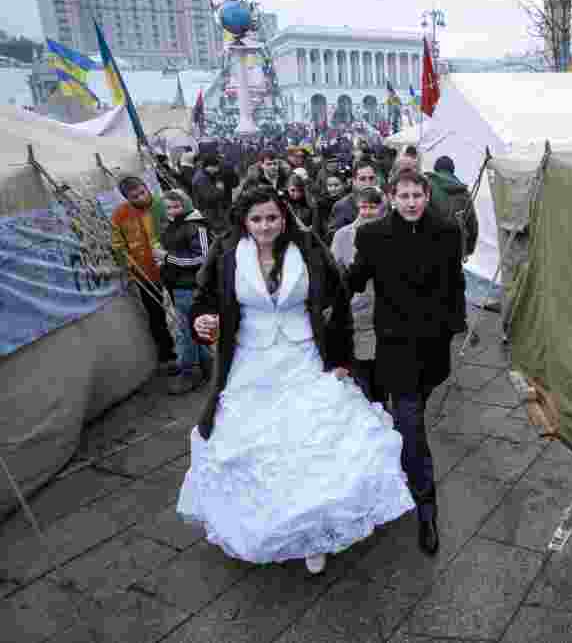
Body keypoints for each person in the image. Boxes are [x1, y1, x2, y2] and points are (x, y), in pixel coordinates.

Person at [178, 186, 415, 574]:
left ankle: (313, 534)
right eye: (256, 219)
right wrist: (202, 320)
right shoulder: (224, 254)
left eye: (272, 217)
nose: (265, 225)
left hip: (304, 354)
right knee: (258, 446)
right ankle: (263, 524)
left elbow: (338, 302)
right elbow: (205, 299)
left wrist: (340, 358)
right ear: (244, 221)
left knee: (312, 445)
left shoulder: (307, 248)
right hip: (249, 359)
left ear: (283, 217)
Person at [345, 169, 467, 556]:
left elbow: (454, 283)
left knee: (411, 416)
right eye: (404, 195)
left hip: (432, 346)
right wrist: (320, 295)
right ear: (392, 197)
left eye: (417, 194)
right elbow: (355, 276)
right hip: (396, 347)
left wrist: (454, 326)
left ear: (426, 196)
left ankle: (399, 463)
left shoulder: (448, 232)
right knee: (411, 426)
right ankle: (425, 507)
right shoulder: (373, 236)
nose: (411, 202)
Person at [110, 175, 177, 376]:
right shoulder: (120, 215)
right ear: (126, 198)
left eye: (142, 192)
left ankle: (198, 351)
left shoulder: (163, 205)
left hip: (172, 267)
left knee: (183, 307)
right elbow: (117, 244)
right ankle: (168, 356)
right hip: (144, 272)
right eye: (134, 196)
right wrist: (126, 264)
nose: (140, 198)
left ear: (147, 188)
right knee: (156, 315)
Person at [331, 187, 387, 404]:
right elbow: (335, 276)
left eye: (372, 206)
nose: (367, 212)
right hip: (358, 317)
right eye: (363, 206)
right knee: (361, 383)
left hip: (386, 318)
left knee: (381, 382)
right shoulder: (343, 236)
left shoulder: (391, 234)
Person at [158, 189, 211, 394]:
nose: (172, 211)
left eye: (177, 206)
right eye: (169, 207)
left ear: (186, 205)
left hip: (191, 287)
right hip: (178, 285)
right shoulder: (175, 225)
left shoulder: (195, 226)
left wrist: (167, 258)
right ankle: (206, 367)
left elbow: (202, 258)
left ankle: (190, 372)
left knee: (188, 331)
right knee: (194, 329)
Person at [426, 156, 479, 261]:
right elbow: (472, 224)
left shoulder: (427, 185)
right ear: (452, 170)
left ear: (436, 169)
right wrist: (468, 249)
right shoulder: (464, 192)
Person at [330, 159, 377, 233]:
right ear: (354, 181)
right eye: (362, 179)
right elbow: (334, 238)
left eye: (371, 178)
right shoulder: (342, 206)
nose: (368, 183)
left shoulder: (382, 202)